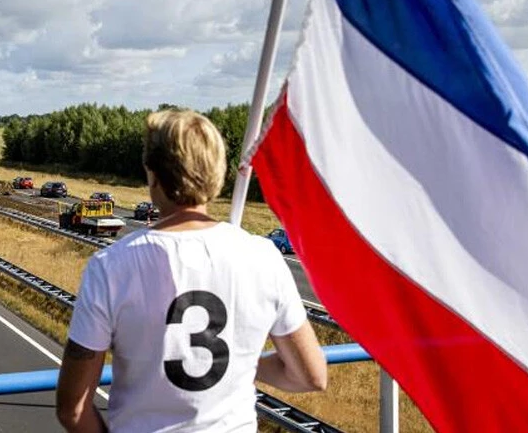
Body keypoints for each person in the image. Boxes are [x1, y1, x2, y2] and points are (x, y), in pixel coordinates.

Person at [55, 109, 327, 433]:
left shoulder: (110, 267)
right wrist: (237, 363)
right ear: (219, 172)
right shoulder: (264, 256)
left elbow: (72, 407)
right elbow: (311, 376)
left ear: (153, 175)